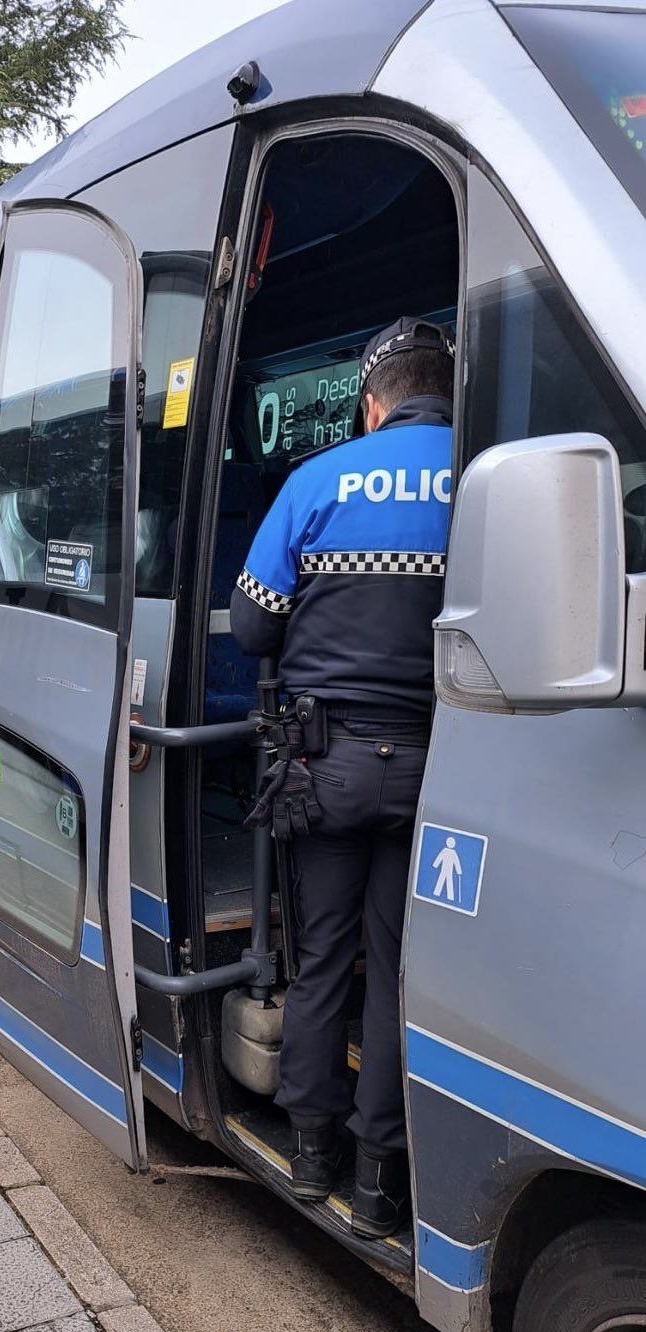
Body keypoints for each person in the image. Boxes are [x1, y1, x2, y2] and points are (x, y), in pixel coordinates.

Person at [230, 317, 455, 1238]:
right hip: (438, 769)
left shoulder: (317, 480)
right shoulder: (481, 481)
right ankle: (377, 1188)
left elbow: (251, 626)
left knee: (321, 961)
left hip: (323, 768)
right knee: (397, 970)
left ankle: (312, 1159)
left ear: (372, 402)